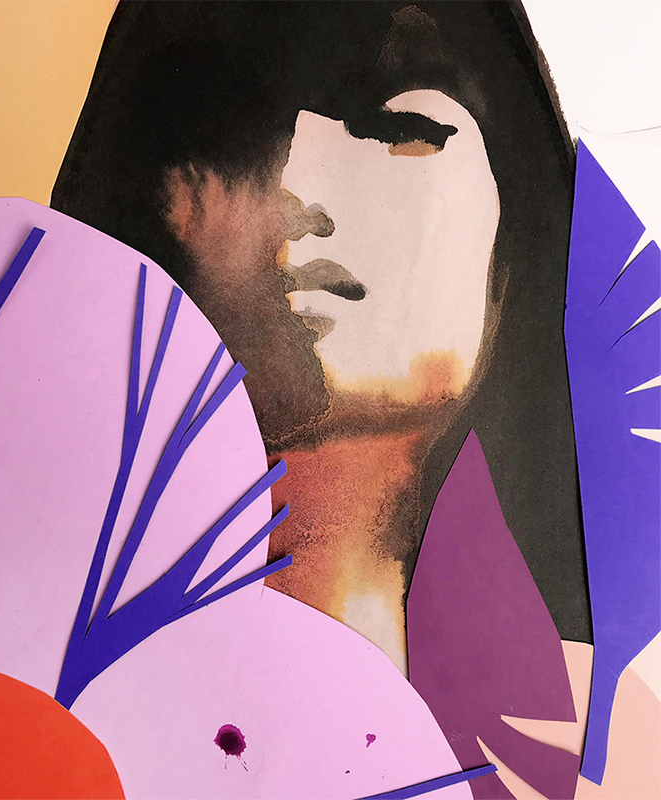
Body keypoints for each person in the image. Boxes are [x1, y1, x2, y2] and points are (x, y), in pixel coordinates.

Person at [52, 0, 590, 663]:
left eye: (402, 133)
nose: (301, 188)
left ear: (516, 215)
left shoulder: (604, 704)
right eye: (229, 141)